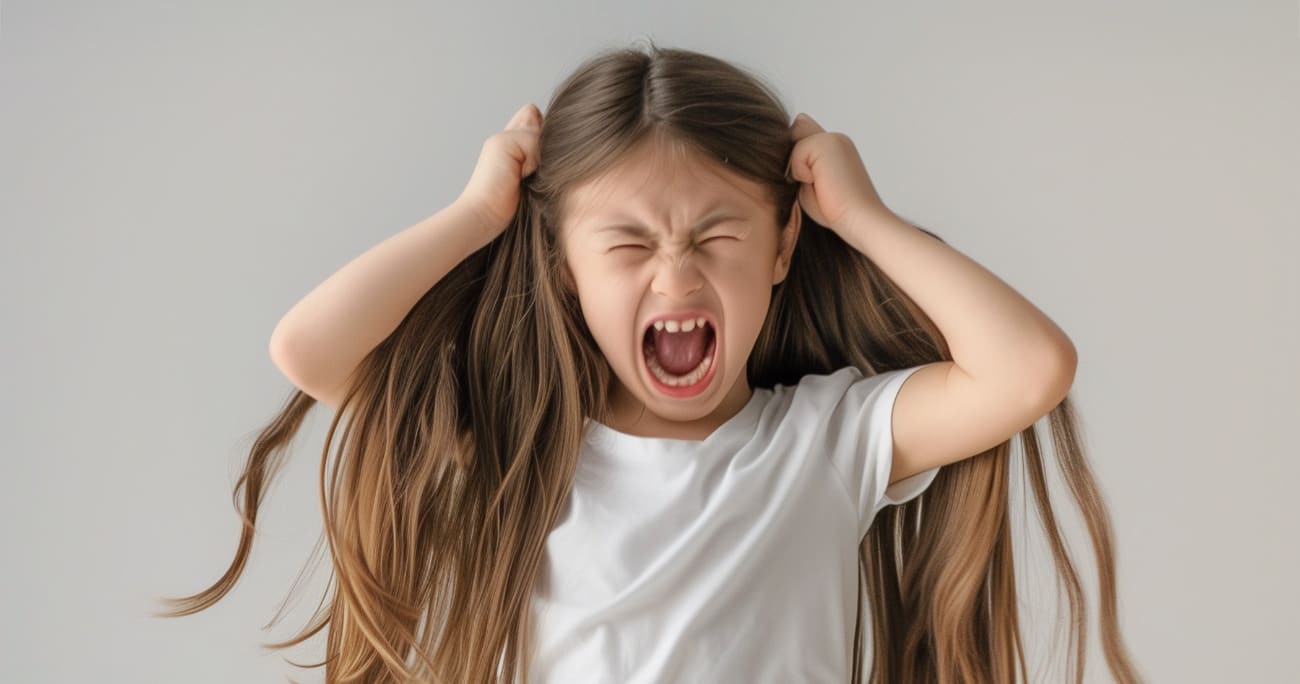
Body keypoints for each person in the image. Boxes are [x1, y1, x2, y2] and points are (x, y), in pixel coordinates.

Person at [155, 41, 1144, 684]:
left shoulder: (830, 442)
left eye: (718, 235)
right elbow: (309, 348)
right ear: (564, 268)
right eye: (627, 244)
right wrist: (477, 213)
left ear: (782, 248)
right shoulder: (520, 445)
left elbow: (1027, 369)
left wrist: (863, 216)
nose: (676, 273)